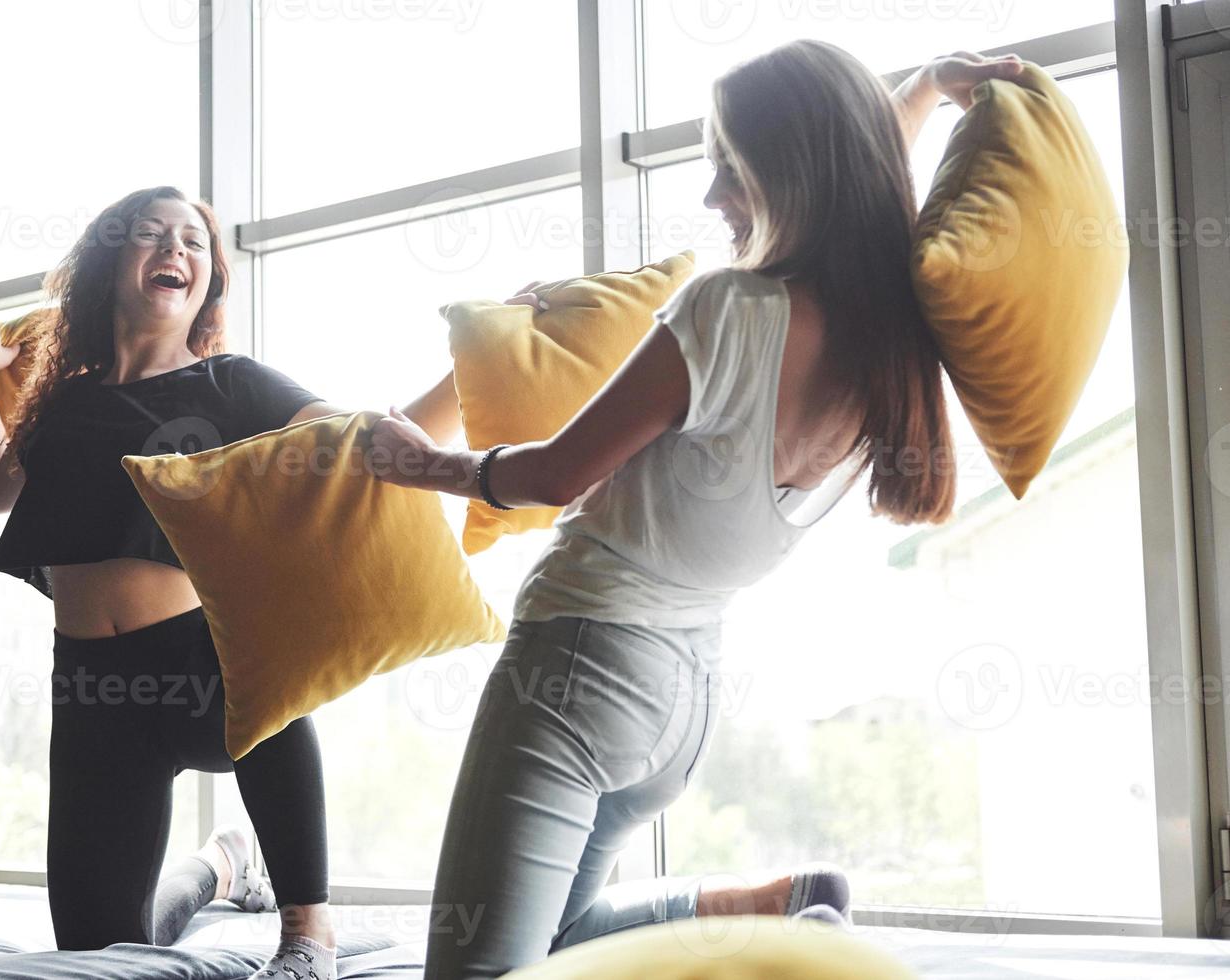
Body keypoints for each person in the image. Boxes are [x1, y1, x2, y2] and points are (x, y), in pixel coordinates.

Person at [369, 43, 1025, 979]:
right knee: (554, 943)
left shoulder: (729, 309)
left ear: (788, 174)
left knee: (473, 972)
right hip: (682, 702)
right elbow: (857, 170)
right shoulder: (891, 337)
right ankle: (763, 911)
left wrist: (427, 465)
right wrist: (920, 90)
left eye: (732, 169)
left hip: (576, 676)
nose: (715, 197)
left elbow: (558, 474)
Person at [0, 185, 464, 980]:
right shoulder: (66, 402)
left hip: (197, 665)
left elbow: (363, 447)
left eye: (192, 242)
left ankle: (309, 934)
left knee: (274, 686)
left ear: (209, 282)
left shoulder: (235, 386)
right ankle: (215, 871)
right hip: (90, 693)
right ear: (108, 264)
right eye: (151, 236)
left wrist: (478, 366)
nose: (174, 251)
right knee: (99, 954)